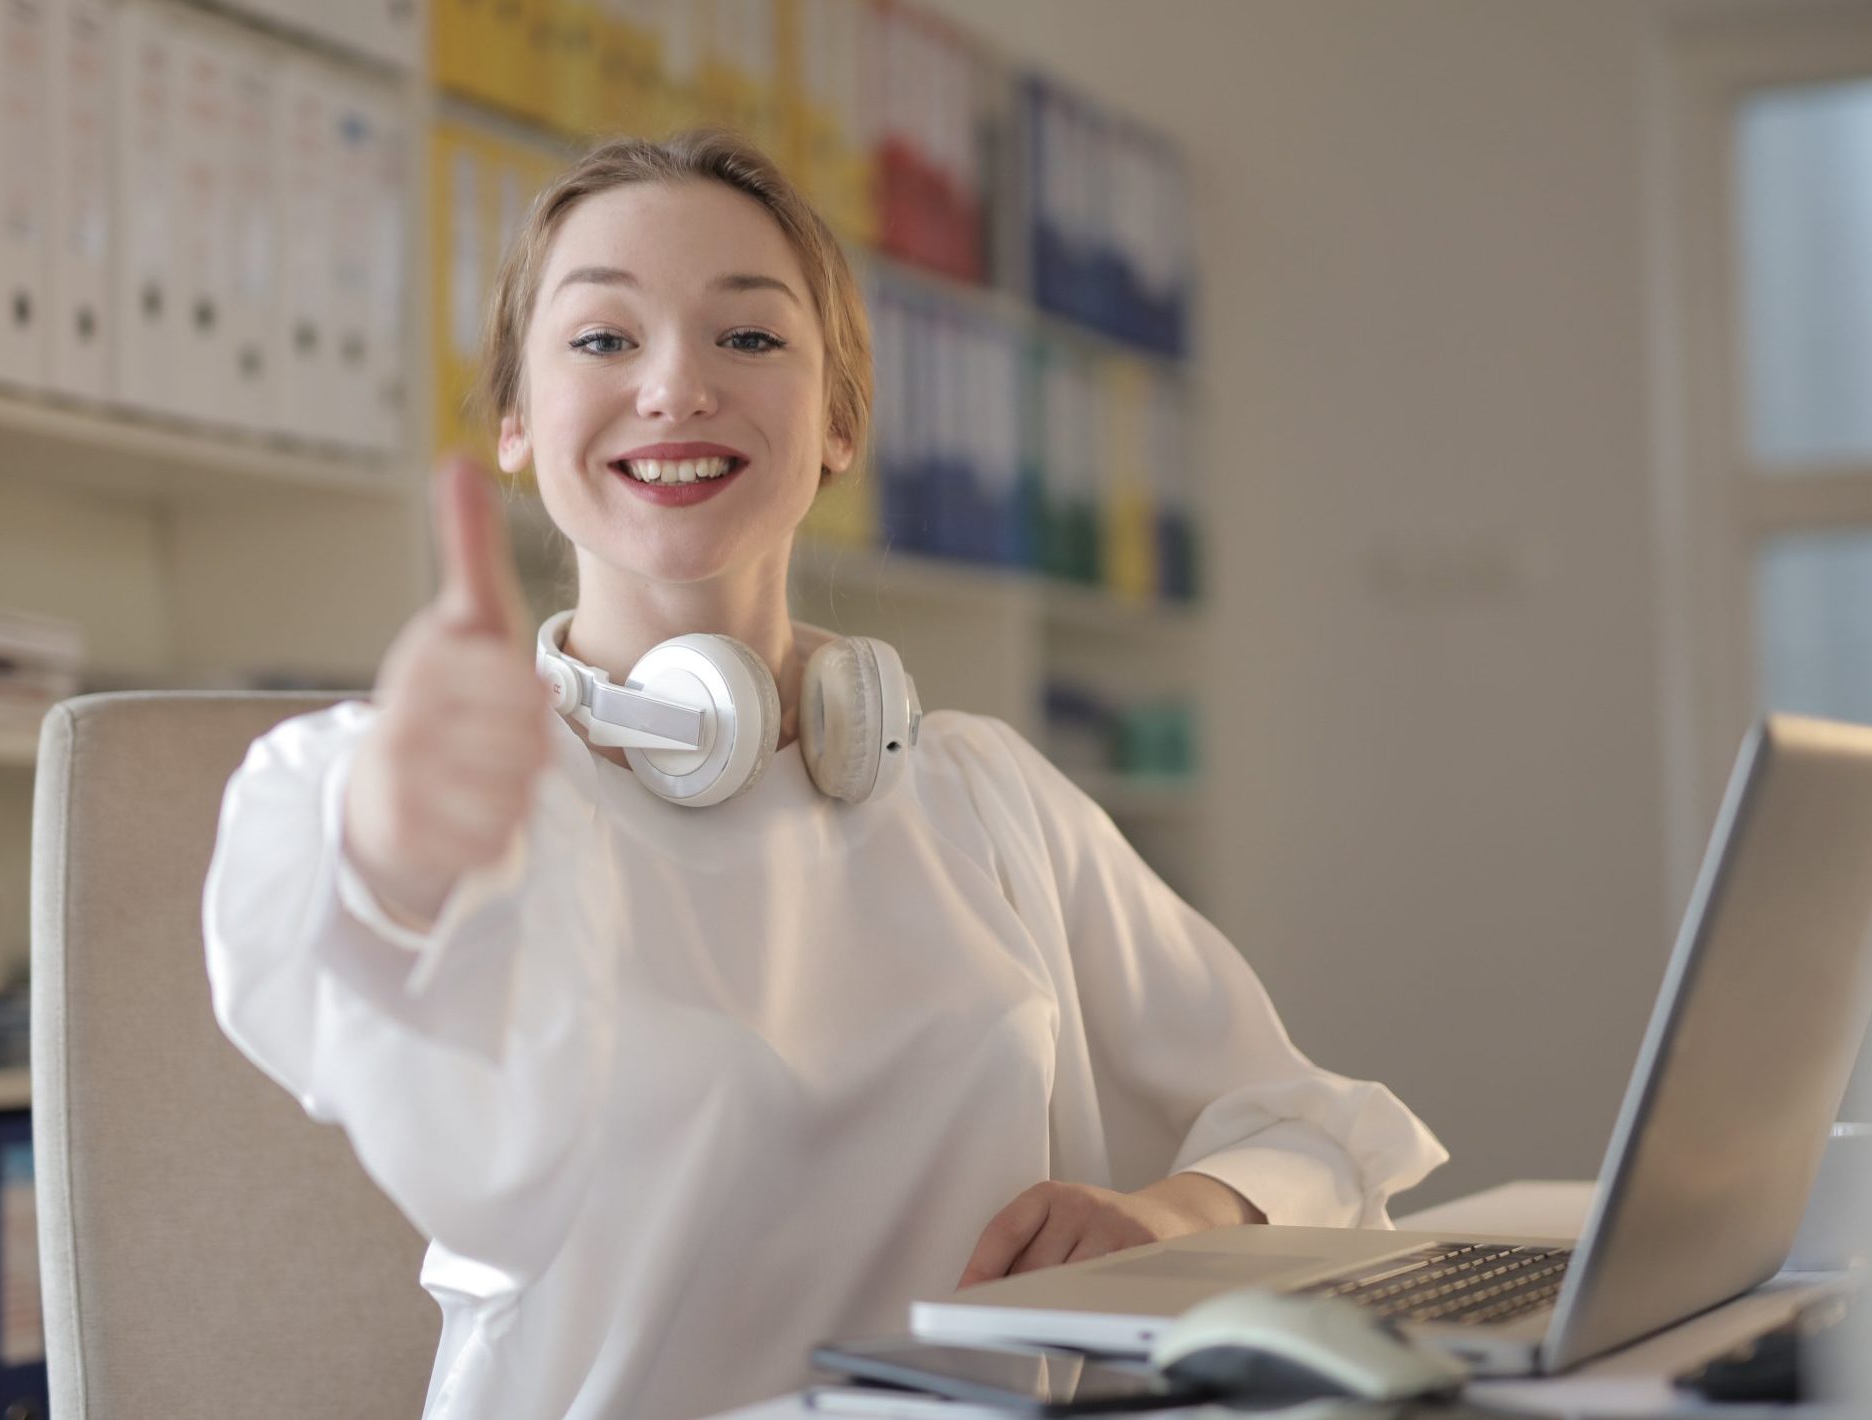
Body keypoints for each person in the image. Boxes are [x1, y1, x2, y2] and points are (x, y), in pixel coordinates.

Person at [202, 130, 1445, 1420]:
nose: (676, 386)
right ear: (515, 422)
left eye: (748, 339)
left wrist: (1170, 1211)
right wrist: (397, 848)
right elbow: (332, 939)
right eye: (601, 339)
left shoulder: (979, 794)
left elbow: (1317, 1127)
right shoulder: (465, 796)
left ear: (841, 421)